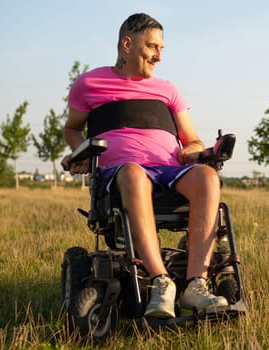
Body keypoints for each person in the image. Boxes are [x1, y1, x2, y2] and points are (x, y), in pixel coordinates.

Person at [60, 13, 228, 318]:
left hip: (170, 170)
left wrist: (192, 152)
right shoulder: (89, 84)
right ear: (127, 44)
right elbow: (72, 129)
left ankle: (196, 286)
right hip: (121, 171)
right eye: (152, 47)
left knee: (207, 177)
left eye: (162, 48)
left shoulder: (168, 90)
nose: (159, 56)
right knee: (134, 172)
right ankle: (160, 281)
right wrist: (79, 152)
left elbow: (192, 140)